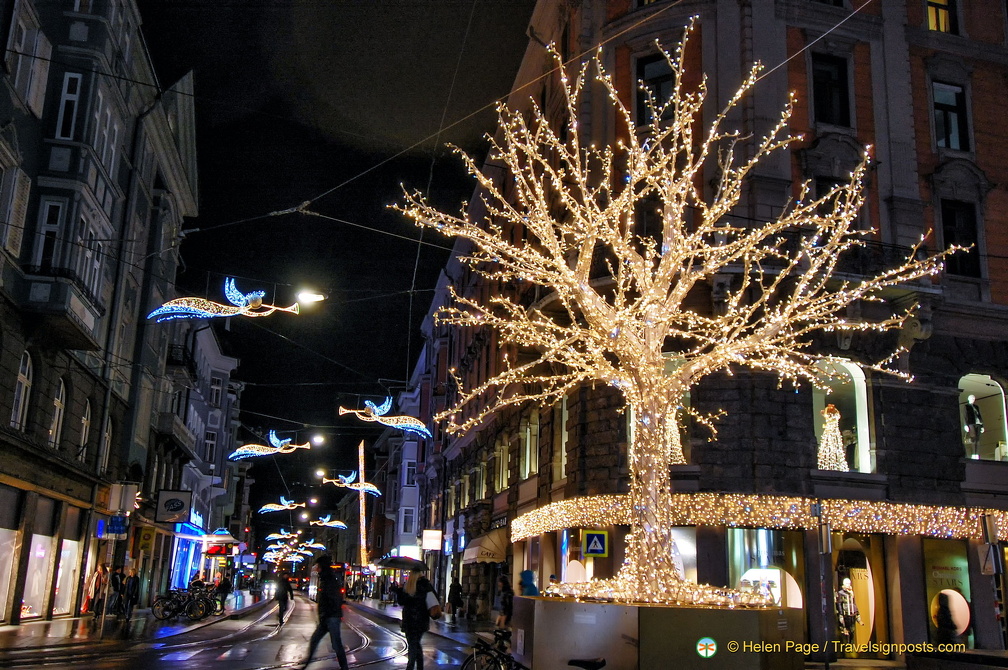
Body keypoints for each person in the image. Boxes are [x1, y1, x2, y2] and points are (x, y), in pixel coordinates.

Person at [304, 554, 348, 670]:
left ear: (322, 566)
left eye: (318, 566)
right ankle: (306, 665)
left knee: (336, 644)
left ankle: (345, 667)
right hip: (327, 617)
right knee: (317, 640)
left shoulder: (329, 580)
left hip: (331, 617)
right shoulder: (325, 578)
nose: (317, 568)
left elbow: (333, 599)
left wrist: (328, 613)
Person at [395, 567, 440, 670]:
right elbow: (435, 598)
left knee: (413, 645)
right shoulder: (426, 585)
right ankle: (420, 667)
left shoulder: (409, 586)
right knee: (416, 644)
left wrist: (399, 590)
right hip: (421, 620)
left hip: (410, 620)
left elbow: (402, 601)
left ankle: (410, 667)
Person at [835, 577, 860, 643]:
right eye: (846, 583)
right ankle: (846, 644)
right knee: (846, 630)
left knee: (852, 630)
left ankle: (851, 645)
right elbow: (839, 604)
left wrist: (857, 613)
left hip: (852, 614)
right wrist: (841, 614)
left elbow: (853, 603)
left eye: (849, 583)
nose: (848, 585)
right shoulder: (841, 593)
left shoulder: (851, 592)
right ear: (844, 584)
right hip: (845, 613)